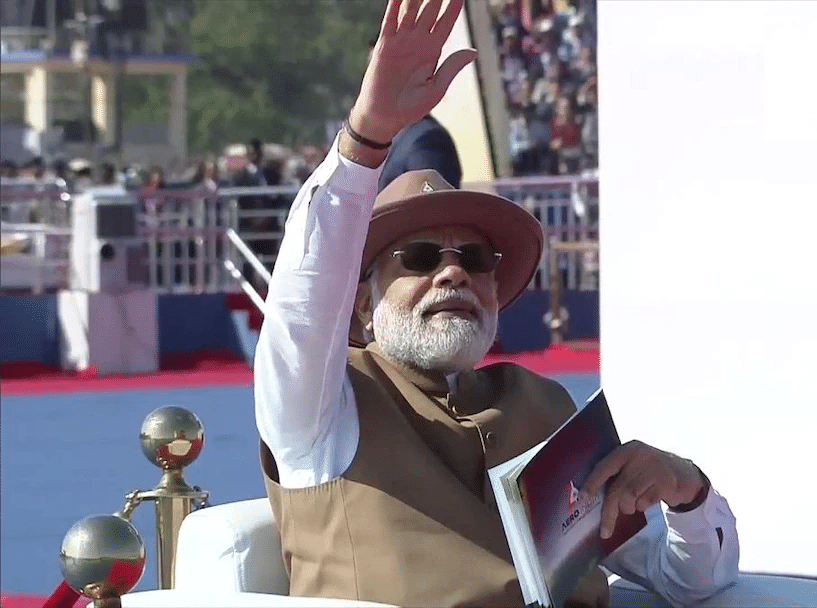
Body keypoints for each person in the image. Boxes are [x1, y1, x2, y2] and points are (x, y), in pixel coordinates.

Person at [253, 1, 739, 606]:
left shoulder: (544, 410)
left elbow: (692, 581)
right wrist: (366, 137)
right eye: (421, 257)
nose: (453, 271)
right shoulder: (321, 410)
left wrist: (687, 490)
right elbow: (301, 303)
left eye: (474, 259)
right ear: (360, 305)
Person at [367, 35, 464, 191]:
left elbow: (434, 209)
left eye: (382, 72)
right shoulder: (396, 137)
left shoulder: (427, 140)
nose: (374, 82)